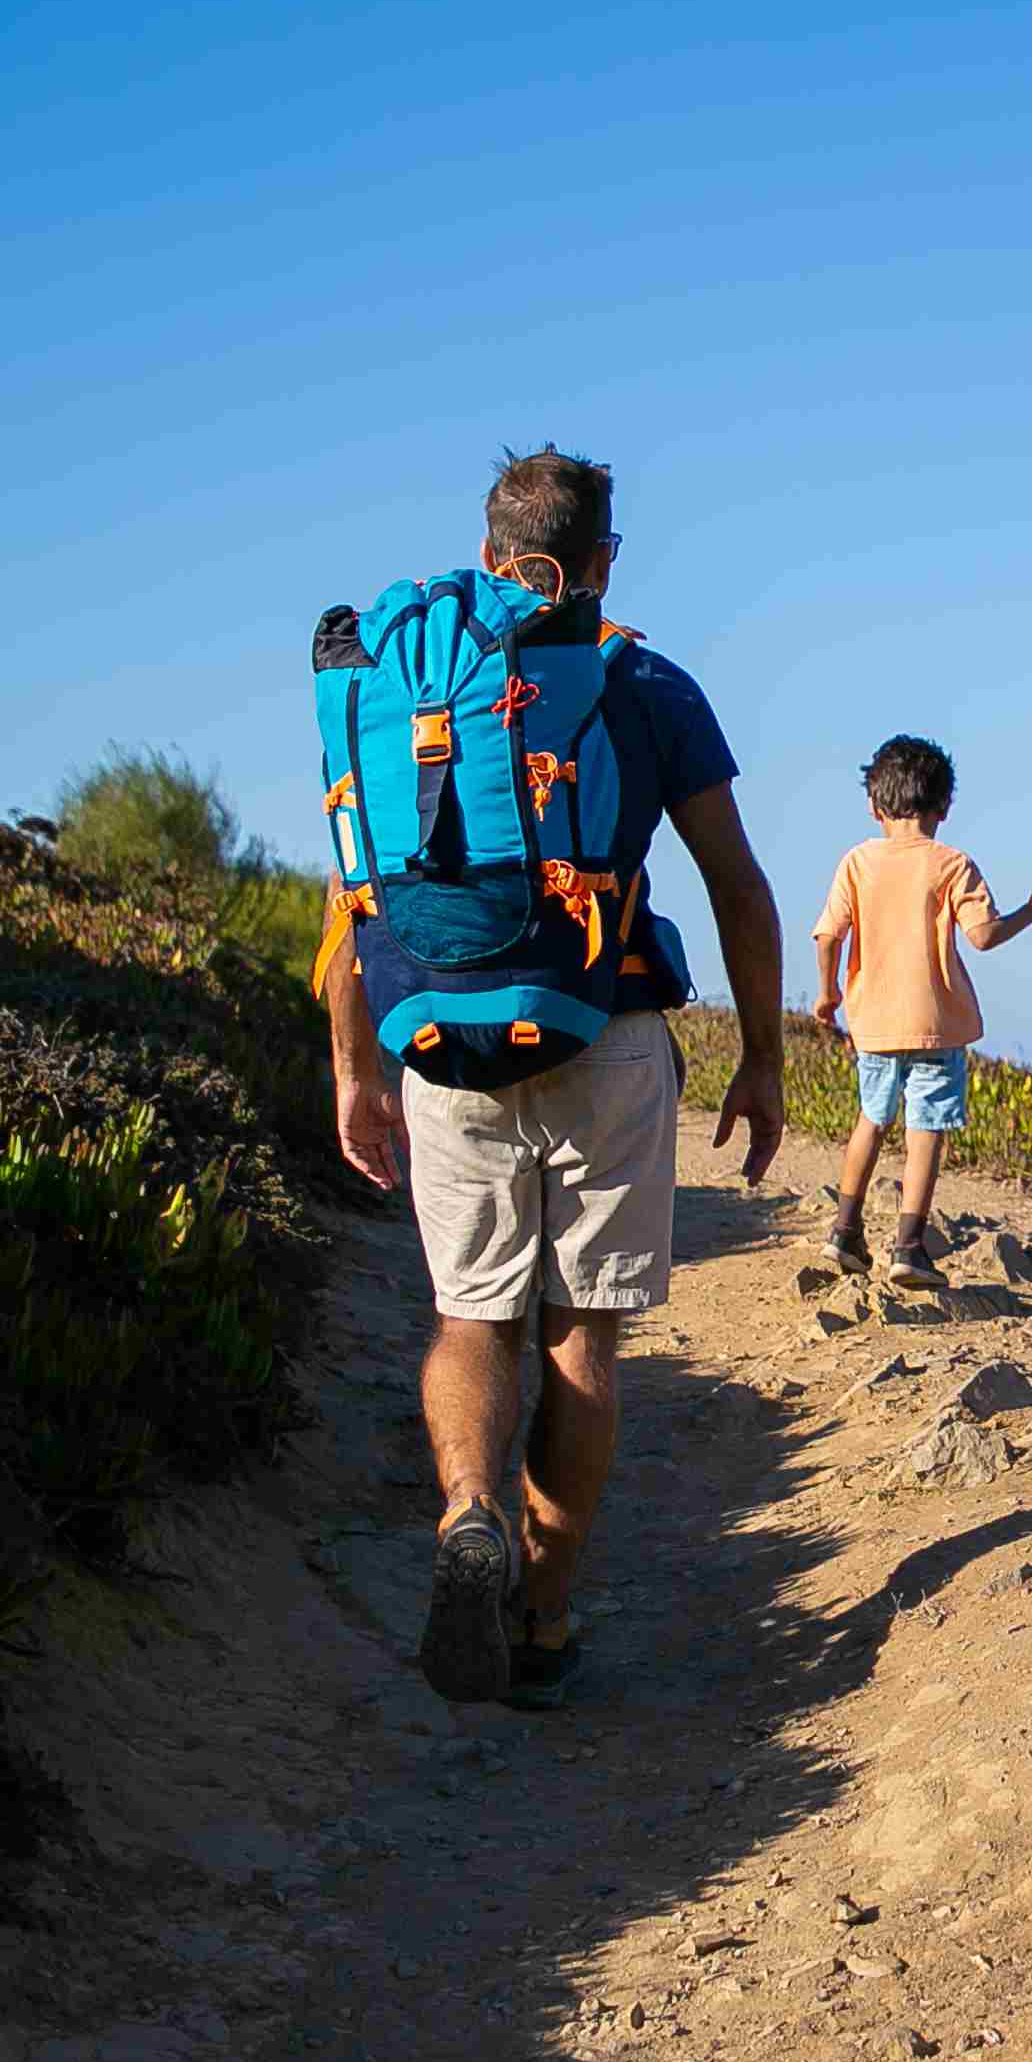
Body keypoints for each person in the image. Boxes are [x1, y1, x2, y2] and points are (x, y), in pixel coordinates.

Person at [320, 447, 788, 1709]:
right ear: (604, 560)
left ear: (486, 545)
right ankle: (541, 1612)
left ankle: (469, 1511)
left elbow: (353, 885)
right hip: (604, 1029)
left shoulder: (396, 677)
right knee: (583, 1334)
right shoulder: (643, 680)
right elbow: (737, 880)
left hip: (436, 1035)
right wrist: (760, 1056)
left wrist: (352, 1065)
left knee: (472, 1315)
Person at [808, 735, 1032, 1287]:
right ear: (944, 807)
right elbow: (984, 936)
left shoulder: (857, 862)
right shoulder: (952, 865)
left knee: (870, 1121)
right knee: (926, 1130)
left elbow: (828, 936)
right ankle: (907, 1246)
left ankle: (845, 1232)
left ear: (875, 806)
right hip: (935, 1023)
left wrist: (828, 993)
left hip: (872, 1022)